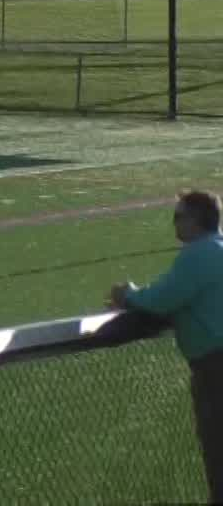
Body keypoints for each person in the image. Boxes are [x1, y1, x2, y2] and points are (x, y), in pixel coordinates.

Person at [106, 189, 223, 502]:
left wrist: (126, 295)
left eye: (178, 217)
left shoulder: (198, 255)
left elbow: (160, 299)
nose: (174, 225)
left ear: (196, 220)